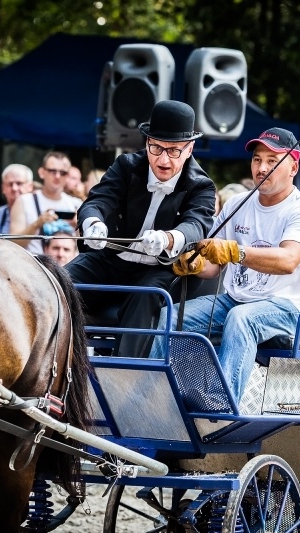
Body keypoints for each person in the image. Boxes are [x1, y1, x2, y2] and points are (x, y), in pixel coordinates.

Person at [150, 126, 300, 401]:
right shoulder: (236, 204)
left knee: (241, 319)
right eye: (257, 159)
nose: (262, 167)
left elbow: (288, 260)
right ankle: (155, 397)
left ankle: (221, 402)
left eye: (272, 160)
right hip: (235, 301)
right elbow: (213, 266)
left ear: (293, 168)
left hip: (290, 309)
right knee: (169, 316)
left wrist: (236, 252)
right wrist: (193, 264)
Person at [68, 100, 216, 358]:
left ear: (189, 149)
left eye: (174, 151)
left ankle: (125, 375)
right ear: (147, 142)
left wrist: (168, 239)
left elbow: (196, 225)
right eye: (156, 147)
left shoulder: (201, 185)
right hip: (111, 261)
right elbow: (98, 201)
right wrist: (93, 223)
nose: (163, 159)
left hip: (159, 269)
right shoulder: (126, 166)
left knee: (146, 294)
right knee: (60, 282)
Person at [9, 151, 83, 254]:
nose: (57, 176)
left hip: (69, 263)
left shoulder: (77, 204)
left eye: (63, 173)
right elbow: (13, 244)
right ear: (41, 172)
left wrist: (79, 228)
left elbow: (88, 247)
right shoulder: (24, 201)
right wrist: (36, 224)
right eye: (52, 171)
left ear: (67, 176)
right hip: (34, 262)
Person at [0, 164, 34, 234]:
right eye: (10, 184)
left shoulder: (38, 214)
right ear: (3, 188)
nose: (14, 188)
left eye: (19, 183)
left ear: (30, 186)